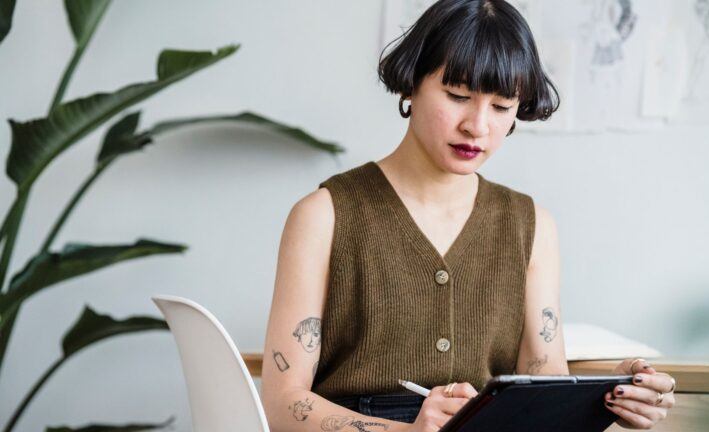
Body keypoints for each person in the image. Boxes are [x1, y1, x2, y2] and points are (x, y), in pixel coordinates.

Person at [261, 1, 676, 431]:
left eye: (501, 106)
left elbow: (542, 388)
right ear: (412, 84)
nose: (477, 126)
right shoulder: (324, 215)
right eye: (458, 96)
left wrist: (613, 396)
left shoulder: (531, 225)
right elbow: (283, 403)